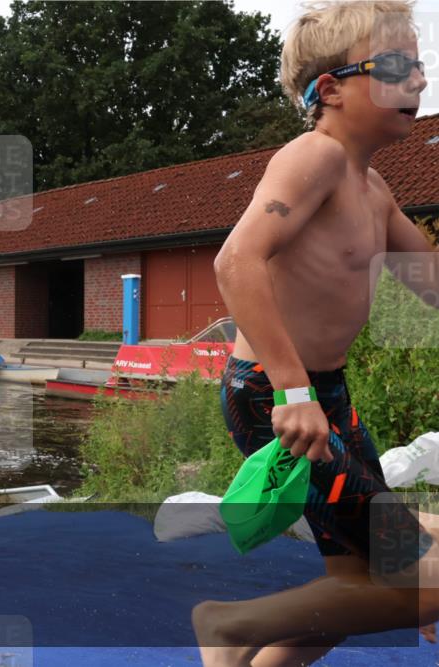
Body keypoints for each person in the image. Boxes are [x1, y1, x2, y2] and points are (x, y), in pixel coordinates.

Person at [192, 2, 439, 665]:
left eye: (419, 65)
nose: (417, 80)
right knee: (422, 576)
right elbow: (235, 261)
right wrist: (291, 387)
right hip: (277, 397)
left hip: (327, 398)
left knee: (351, 590)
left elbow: (433, 285)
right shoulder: (316, 159)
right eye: (395, 66)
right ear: (329, 89)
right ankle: (225, 624)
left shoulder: (376, 189)